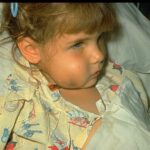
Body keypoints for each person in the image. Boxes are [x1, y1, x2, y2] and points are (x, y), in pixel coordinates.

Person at [0, 3, 150, 150]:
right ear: (32, 50)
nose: (99, 55)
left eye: (100, 37)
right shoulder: (21, 106)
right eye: (77, 44)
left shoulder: (118, 77)